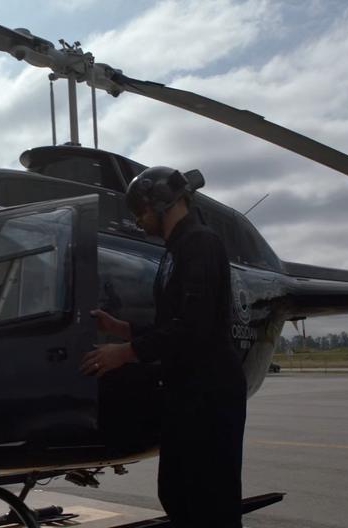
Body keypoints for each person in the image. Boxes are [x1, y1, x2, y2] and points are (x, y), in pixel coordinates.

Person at [80, 166, 247, 528]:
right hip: (186, 391)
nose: (138, 221)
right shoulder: (175, 251)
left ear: (162, 204)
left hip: (209, 394)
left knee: (210, 502)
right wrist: (121, 328)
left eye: (140, 212)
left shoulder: (200, 243)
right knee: (176, 492)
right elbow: (171, 323)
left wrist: (124, 353)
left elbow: (195, 327)